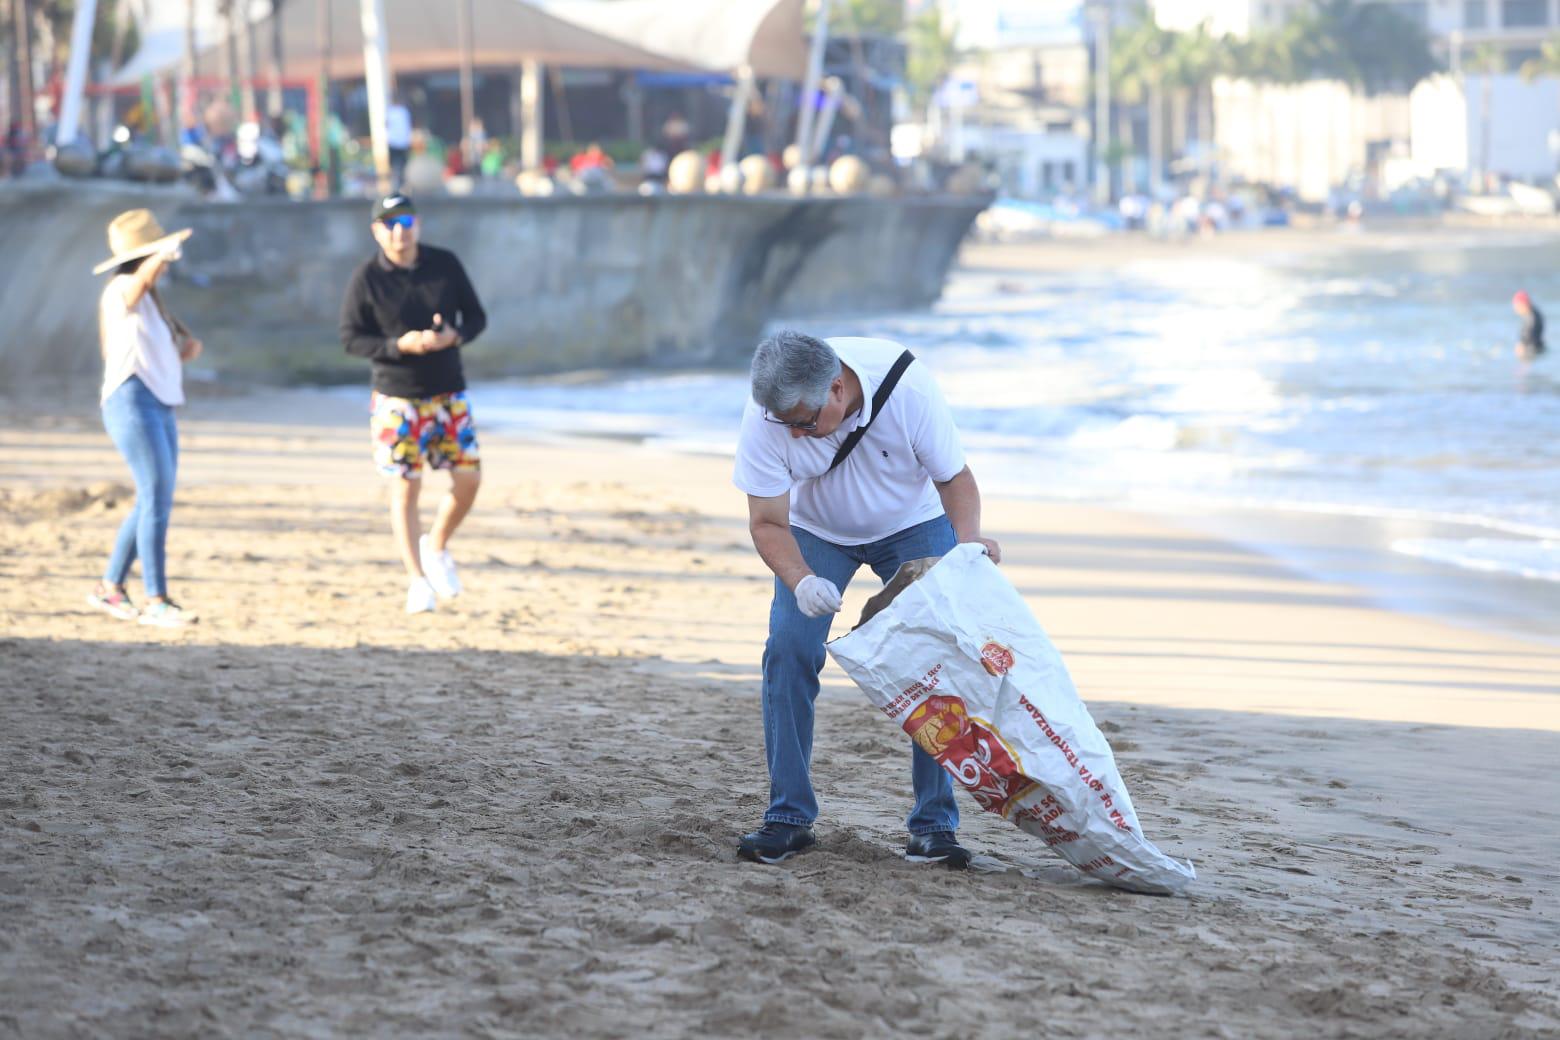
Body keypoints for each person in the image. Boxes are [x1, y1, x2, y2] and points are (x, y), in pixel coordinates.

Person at [732, 330, 1002, 867]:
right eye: (785, 424)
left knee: (937, 658)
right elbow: (766, 521)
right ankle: (788, 816)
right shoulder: (770, 413)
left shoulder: (909, 388)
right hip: (814, 530)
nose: (795, 433)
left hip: (912, 523)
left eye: (804, 423)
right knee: (788, 649)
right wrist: (801, 579)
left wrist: (967, 546)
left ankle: (934, 826)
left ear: (837, 388)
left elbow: (955, 478)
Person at [339, 194, 487, 614]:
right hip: (396, 394)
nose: (399, 230)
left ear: (418, 224)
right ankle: (417, 579)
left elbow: (476, 318)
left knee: (468, 479)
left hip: (448, 390)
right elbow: (350, 337)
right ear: (376, 232)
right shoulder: (366, 278)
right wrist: (397, 345)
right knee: (406, 487)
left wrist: (452, 336)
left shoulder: (444, 264)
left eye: (405, 221)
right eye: (389, 223)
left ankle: (436, 546)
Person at [87, 210, 205, 627]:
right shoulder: (121, 288)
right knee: (155, 497)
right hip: (131, 402)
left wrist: (181, 353)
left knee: (153, 498)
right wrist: (163, 253)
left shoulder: (149, 300)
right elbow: (137, 286)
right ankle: (156, 599)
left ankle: (110, 588)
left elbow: (146, 349)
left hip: (155, 401)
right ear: (146, 255)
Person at [385, 93, 413, 191]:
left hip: (393, 142)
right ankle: (401, 185)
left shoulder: (390, 112)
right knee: (403, 165)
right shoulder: (404, 111)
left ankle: (396, 185)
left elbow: (386, 124)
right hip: (403, 142)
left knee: (394, 166)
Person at [1514, 290, 1545, 362]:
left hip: (1532, 350)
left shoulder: (1532, 317)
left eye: (1516, 305)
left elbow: (1530, 333)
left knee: (1523, 371)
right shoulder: (1534, 313)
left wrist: (1522, 344)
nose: (1515, 308)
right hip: (1537, 348)